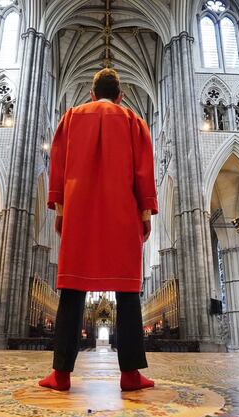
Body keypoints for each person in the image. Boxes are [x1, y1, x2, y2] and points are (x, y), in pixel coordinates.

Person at [39, 68, 158, 392]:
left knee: (72, 289)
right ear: (120, 96)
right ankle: (130, 374)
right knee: (128, 292)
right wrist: (145, 214)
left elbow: (58, 168)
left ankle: (60, 375)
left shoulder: (72, 117)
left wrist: (60, 210)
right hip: (122, 212)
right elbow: (144, 172)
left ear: (92, 94)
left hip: (80, 211)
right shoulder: (135, 122)